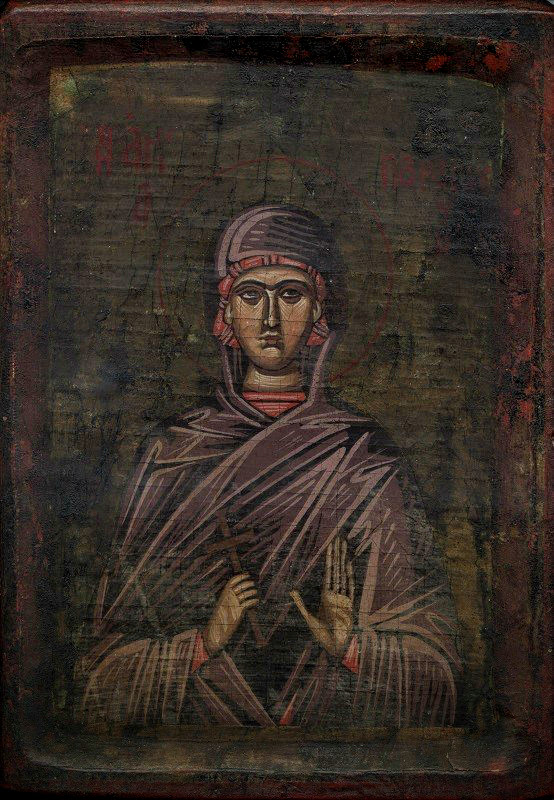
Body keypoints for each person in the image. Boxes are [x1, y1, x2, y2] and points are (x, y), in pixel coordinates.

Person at [76, 204, 460, 730]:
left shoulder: (366, 460)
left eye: (291, 295)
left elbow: (439, 683)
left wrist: (351, 647)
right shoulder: (172, 455)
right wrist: (202, 643)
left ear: (319, 312)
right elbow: (99, 685)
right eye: (251, 295)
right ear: (226, 315)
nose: (270, 319)